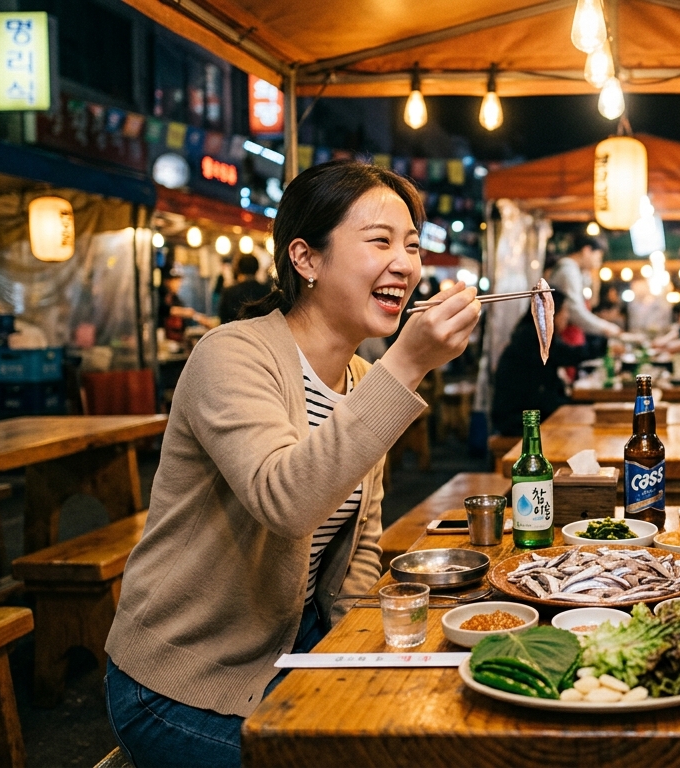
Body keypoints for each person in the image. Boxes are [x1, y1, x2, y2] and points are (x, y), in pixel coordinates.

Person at [103, 161, 481, 767]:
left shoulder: (360, 378)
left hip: (294, 647)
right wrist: (407, 366)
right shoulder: (231, 355)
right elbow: (286, 501)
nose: (407, 265)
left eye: (411, 245)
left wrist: (355, 657)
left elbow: (362, 543)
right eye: (380, 241)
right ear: (306, 259)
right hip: (182, 683)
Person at [490, 291, 600, 435]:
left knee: (582, 416)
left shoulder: (530, 333)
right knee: (582, 424)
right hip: (517, 419)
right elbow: (568, 355)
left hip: (519, 413)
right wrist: (605, 343)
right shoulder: (534, 338)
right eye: (564, 310)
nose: (567, 316)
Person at [547, 234, 624, 345]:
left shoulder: (577, 272)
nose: (599, 262)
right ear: (587, 250)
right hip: (565, 338)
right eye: (598, 256)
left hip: (573, 336)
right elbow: (575, 311)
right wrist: (607, 328)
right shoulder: (569, 271)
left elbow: (591, 302)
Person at [217, 254, 272, 323]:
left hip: (235, 332)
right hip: (261, 332)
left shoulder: (229, 292)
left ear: (238, 269)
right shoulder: (267, 290)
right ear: (257, 268)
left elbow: (223, 319)